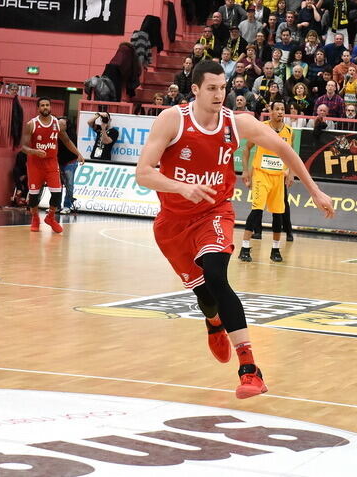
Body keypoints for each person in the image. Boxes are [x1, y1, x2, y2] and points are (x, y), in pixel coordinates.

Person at [136, 61, 335, 399]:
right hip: (172, 223)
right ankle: (213, 322)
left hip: (214, 212)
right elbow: (143, 173)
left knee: (216, 274)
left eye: (223, 87)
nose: (219, 94)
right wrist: (179, 187)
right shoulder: (172, 120)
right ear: (195, 89)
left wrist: (314, 190)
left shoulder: (236, 122)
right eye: (211, 88)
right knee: (204, 297)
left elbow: (283, 148)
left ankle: (250, 369)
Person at [238, 101, 294, 263]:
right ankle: (245, 247)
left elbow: (290, 156)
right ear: (270, 111)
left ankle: (275, 249)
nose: (280, 112)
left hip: (278, 177)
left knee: (278, 214)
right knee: (257, 210)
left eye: (282, 109)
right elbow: (247, 148)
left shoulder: (289, 131)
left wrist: (290, 173)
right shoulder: (260, 127)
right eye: (277, 109)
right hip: (261, 174)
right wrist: (246, 170)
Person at [20, 97, 84, 233]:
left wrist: (78, 154)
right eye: (42, 105)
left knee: (57, 193)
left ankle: (50, 217)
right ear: (38, 108)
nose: (45, 107)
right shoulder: (31, 124)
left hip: (51, 163)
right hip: (35, 164)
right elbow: (23, 147)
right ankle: (35, 218)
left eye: (47, 105)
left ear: (50, 107)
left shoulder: (57, 123)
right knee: (33, 196)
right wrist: (34, 151)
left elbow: (66, 141)